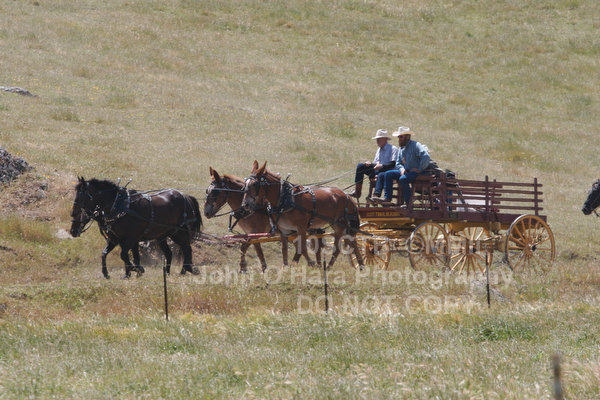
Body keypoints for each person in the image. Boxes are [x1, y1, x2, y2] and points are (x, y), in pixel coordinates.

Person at [370, 126, 430, 206]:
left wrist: (419, 169)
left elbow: (426, 156)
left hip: (416, 172)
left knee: (403, 179)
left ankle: (408, 203)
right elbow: (398, 163)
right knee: (388, 174)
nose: (399, 139)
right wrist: (401, 169)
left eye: (401, 137)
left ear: (408, 137)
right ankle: (387, 198)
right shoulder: (401, 149)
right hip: (406, 171)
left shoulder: (415, 145)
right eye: (398, 137)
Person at [348, 129, 398, 199]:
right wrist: (369, 163)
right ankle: (357, 192)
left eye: (379, 139)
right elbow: (376, 162)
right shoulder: (379, 150)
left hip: (387, 171)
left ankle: (376, 196)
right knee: (360, 166)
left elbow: (393, 163)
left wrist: (382, 166)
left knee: (381, 174)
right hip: (378, 169)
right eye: (377, 139)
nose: (377, 141)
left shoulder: (393, 149)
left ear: (385, 139)